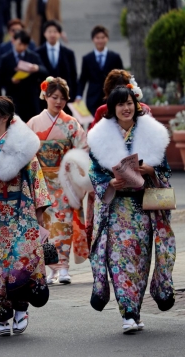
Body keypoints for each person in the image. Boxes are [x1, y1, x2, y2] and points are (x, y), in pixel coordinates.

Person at [87, 86, 175, 333]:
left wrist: (152, 172)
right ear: (113, 110)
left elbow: (165, 171)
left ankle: (135, 309)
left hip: (144, 209)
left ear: (135, 106)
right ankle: (127, 312)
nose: (126, 108)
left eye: (129, 103)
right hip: (117, 210)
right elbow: (95, 172)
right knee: (119, 260)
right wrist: (109, 184)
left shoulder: (150, 133)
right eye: (120, 104)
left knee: (140, 261)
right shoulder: (101, 136)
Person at [0, 96, 50, 337]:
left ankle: (21, 309)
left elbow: (36, 179)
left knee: (19, 261)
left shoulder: (22, 145)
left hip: (18, 210)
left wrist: (39, 216)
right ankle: (0, 314)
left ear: (5, 117)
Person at [26, 77, 90, 284]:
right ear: (45, 96)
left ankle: (63, 267)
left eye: (62, 98)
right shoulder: (34, 123)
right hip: (41, 179)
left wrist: (74, 164)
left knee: (63, 223)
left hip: (64, 179)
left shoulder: (71, 123)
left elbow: (83, 148)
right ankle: (51, 268)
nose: (59, 102)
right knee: (46, 223)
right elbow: (26, 151)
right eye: (54, 97)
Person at [0, 30, 48, 122]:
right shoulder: (6, 58)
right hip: (13, 98)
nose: (22, 47)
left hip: (31, 99)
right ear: (13, 41)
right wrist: (11, 80)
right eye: (20, 44)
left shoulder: (33, 57)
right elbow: (0, 78)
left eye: (25, 45)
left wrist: (37, 68)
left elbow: (45, 72)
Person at [76, 25, 124, 115]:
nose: (100, 40)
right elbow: (83, 79)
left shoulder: (115, 57)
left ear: (107, 39)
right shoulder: (87, 58)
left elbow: (122, 77)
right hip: (92, 97)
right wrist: (79, 95)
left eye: (103, 37)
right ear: (93, 39)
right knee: (94, 123)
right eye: (97, 38)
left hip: (111, 96)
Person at [36, 20, 77, 114]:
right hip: (43, 100)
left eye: (55, 31)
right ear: (44, 33)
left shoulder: (68, 53)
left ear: (60, 34)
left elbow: (73, 77)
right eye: (49, 31)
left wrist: (73, 96)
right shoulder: (37, 53)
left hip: (64, 99)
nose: (52, 34)